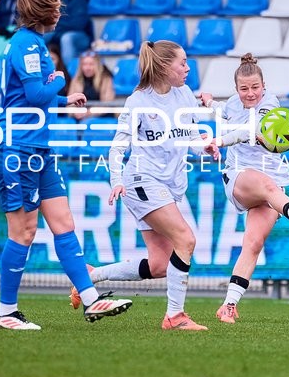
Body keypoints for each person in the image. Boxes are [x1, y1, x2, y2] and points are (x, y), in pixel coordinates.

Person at [0, 0, 133, 330]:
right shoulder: (26, 44)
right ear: (41, 9)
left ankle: (91, 299)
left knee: (64, 223)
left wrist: (64, 100)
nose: (60, 11)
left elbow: (30, 98)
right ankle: (6, 312)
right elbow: (38, 93)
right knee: (23, 232)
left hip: (36, 148)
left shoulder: (33, 42)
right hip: (18, 149)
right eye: (55, 6)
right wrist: (58, 80)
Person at [70, 40, 219, 331]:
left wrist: (206, 148)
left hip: (168, 186)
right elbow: (117, 147)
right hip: (141, 182)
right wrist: (115, 181)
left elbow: (188, 140)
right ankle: (175, 317)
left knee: (159, 265)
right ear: (164, 67)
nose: (188, 68)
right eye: (183, 63)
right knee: (186, 240)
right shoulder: (138, 101)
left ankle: (92, 275)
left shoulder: (185, 94)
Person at [196, 54, 289, 324]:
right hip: (239, 177)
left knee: (253, 244)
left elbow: (247, 131)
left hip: (271, 184)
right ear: (236, 89)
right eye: (244, 88)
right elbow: (225, 112)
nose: (250, 93)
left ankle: (229, 305)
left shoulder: (271, 104)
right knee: (266, 186)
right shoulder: (233, 103)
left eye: (255, 87)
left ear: (263, 86)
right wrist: (208, 101)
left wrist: (218, 140)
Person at [43, 0, 93, 66]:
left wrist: (57, 26)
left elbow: (78, 24)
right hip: (57, 33)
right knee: (38, 36)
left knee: (66, 38)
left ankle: (69, 76)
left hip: (80, 36)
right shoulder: (46, 1)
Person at [67, 50, 116, 120]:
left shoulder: (106, 79)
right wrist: (75, 112)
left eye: (91, 64)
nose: (87, 68)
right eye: (84, 64)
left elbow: (107, 104)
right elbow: (69, 103)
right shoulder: (76, 80)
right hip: (80, 118)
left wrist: (88, 112)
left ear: (97, 65)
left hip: (101, 118)